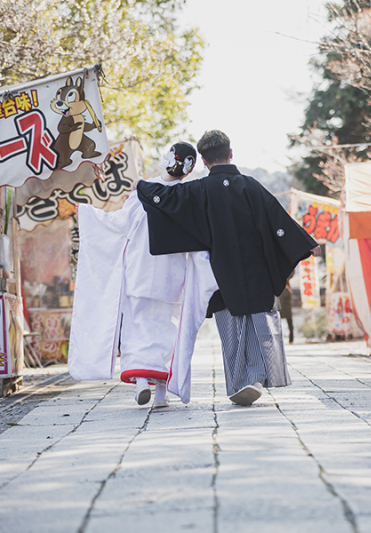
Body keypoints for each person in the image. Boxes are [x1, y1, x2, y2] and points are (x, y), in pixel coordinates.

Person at [136, 130, 319, 406]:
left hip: (221, 270)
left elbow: (157, 196)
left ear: (204, 163)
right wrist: (305, 243)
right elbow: (276, 218)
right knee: (259, 322)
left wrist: (155, 180)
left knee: (231, 326)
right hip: (256, 267)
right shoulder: (251, 185)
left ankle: (238, 383)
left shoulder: (197, 190)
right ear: (231, 154)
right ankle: (256, 377)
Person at [68, 142, 218, 407]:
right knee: (167, 329)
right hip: (172, 274)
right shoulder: (188, 196)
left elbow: (121, 224)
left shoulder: (143, 191)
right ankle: (161, 392)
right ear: (189, 169)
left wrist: (88, 213)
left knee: (138, 327)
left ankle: (140, 382)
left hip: (140, 267)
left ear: (166, 159)